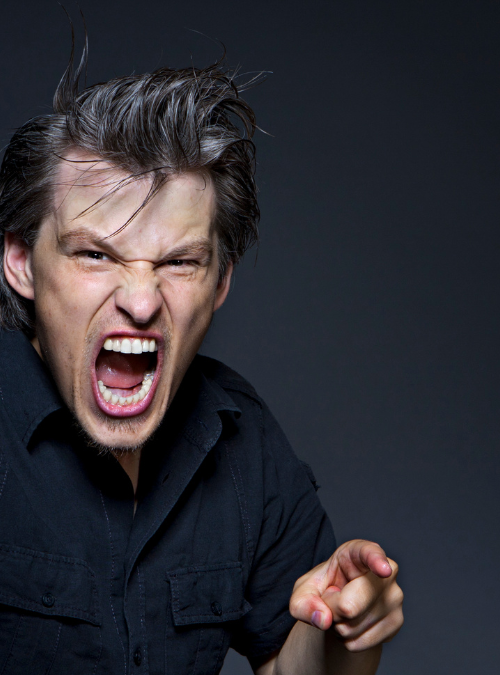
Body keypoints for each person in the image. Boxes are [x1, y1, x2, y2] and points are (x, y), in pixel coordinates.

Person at [0, 41, 403, 675]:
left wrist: (343, 628)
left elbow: (289, 666)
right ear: (21, 261)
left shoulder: (241, 437)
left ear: (219, 282)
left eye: (180, 262)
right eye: (95, 255)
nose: (140, 301)